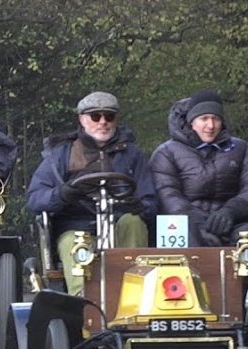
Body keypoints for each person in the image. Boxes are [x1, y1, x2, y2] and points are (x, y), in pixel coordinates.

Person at [27, 91, 155, 295]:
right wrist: (63, 194)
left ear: (116, 120)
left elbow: (150, 200)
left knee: (134, 222)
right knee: (73, 241)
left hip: (119, 222)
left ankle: (136, 293)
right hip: (77, 226)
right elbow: (35, 199)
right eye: (95, 116)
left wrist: (139, 206)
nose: (103, 122)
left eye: (109, 116)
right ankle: (83, 301)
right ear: (82, 119)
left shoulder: (133, 155)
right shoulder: (61, 154)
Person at [150, 89, 248, 248]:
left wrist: (231, 211)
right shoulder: (166, 153)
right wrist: (203, 223)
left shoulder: (242, 148)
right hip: (186, 224)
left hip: (232, 222)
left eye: (216, 119)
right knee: (187, 235)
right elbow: (167, 195)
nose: (211, 125)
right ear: (191, 121)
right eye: (204, 119)